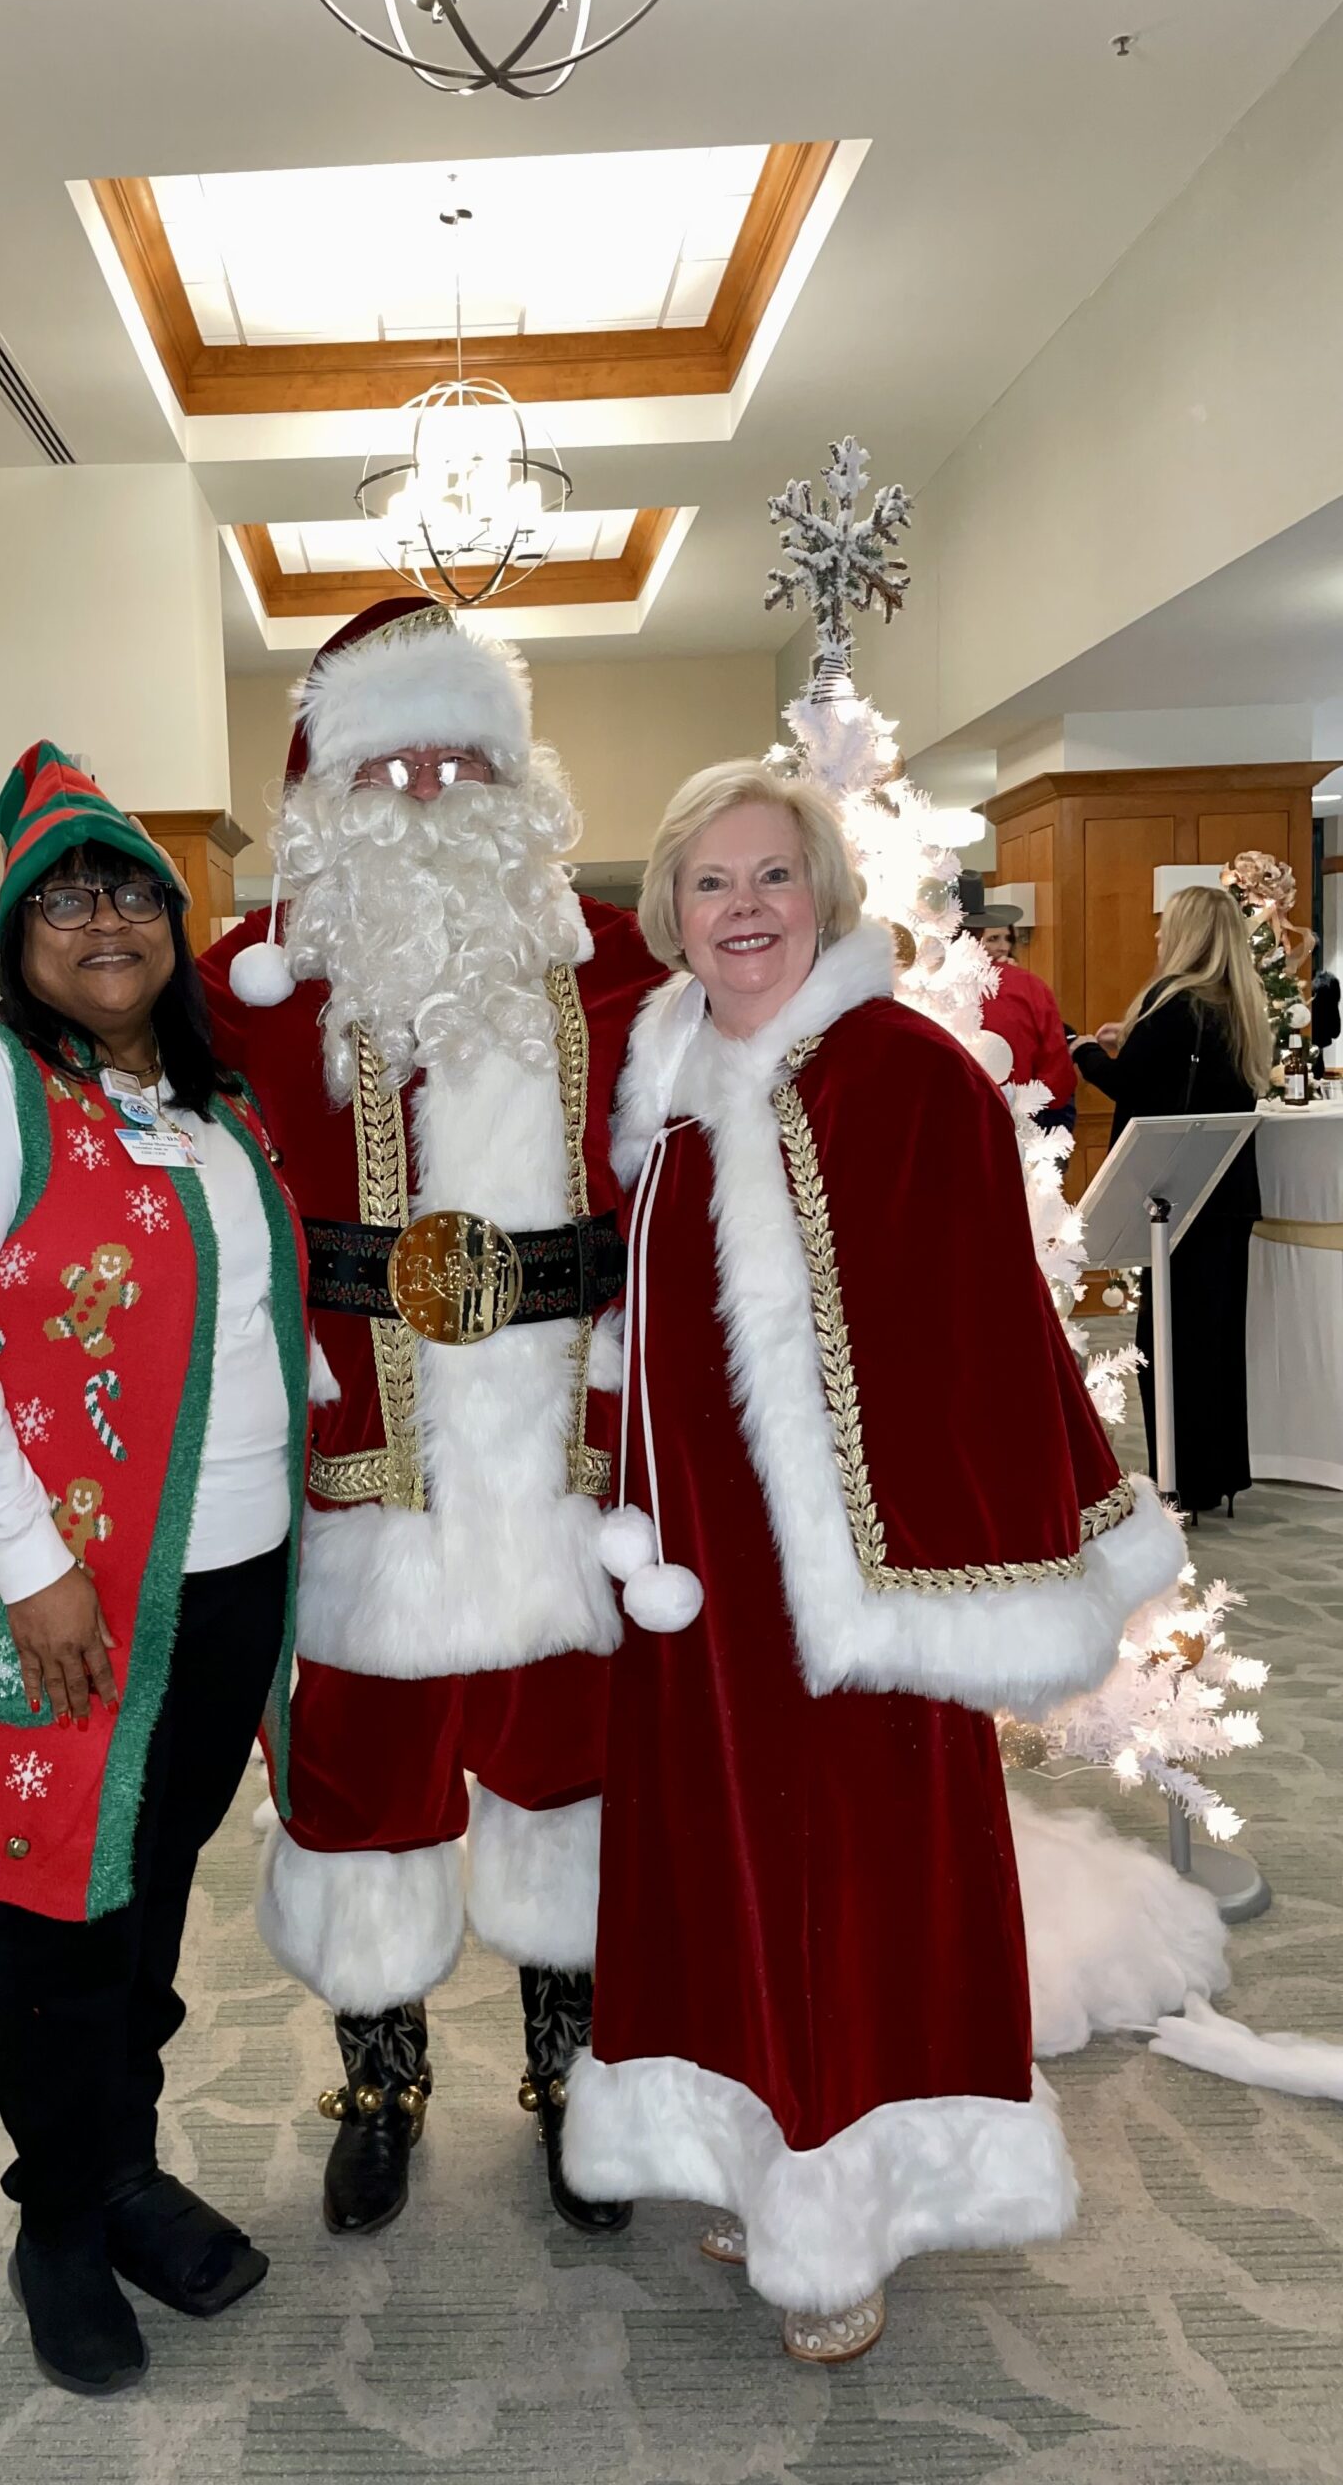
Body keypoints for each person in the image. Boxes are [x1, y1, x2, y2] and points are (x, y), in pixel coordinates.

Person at [561, 761, 1183, 2363]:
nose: (746, 907)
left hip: (866, 1594)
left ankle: (850, 2213)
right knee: (719, 1872)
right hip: (694, 1577)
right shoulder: (665, 1071)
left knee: (855, 1881)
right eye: (713, 882)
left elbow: (983, 1341)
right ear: (673, 914)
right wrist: (614, 1497)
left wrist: (966, 1569)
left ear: (826, 896)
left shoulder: (905, 1071)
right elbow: (637, 1320)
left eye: (775, 876)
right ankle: (748, 2150)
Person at [0, 745, 311, 2397]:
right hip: (77, 1584)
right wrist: (32, 1565)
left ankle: (118, 2165)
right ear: (20, 926)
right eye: (70, 895)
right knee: (57, 1901)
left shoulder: (203, 1095)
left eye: (135, 894)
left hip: (234, 1565)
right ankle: (57, 2214)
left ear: (176, 926)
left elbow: (251, 1312)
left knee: (149, 1885)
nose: (107, 920)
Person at [203, 599, 663, 2238]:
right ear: (324, 783)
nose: (424, 790)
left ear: (512, 777)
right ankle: (381, 2082)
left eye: (458, 757)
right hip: (361, 1475)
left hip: (562, 1468)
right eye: (385, 762)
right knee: (356, 1793)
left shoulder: (623, 972)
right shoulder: (240, 996)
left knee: (568, 1785)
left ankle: (572, 2074)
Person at [1073, 884, 1271, 1517]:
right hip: (1228, 1189)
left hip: (1177, 1197)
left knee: (1168, 1339)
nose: (1158, 937)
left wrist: (1083, 1051)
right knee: (1216, 1340)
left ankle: (1175, 1477)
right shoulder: (1238, 1004)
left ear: (1185, 934)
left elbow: (1132, 1081)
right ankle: (1215, 1477)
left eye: (1166, 927)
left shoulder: (1175, 999)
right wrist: (1126, 1038)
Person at [976, 916, 1077, 1133]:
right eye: (993, 939)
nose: (1003, 947)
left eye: (1008, 938)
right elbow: (1055, 1060)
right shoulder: (1028, 985)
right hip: (1027, 1111)